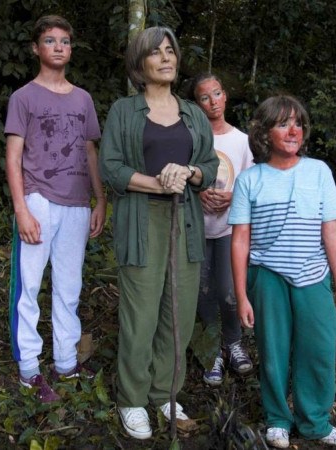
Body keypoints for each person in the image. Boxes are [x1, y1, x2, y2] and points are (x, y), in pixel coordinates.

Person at [99, 27, 219, 440]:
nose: (166, 58)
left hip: (185, 221)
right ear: (140, 64)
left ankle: (165, 392)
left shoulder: (193, 113)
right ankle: (132, 399)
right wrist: (158, 183)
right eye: (156, 53)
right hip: (141, 222)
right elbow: (110, 167)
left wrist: (190, 173)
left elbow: (209, 165)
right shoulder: (123, 111)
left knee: (179, 314)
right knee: (141, 315)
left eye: (171, 51)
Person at [229, 95, 336, 448]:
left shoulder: (318, 171)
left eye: (298, 123)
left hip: (313, 275)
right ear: (264, 132)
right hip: (267, 276)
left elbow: (331, 229)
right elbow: (239, 240)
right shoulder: (250, 180)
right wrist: (241, 295)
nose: (293, 130)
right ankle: (277, 420)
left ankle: (315, 422)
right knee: (272, 350)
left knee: (318, 349)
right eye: (283, 123)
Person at [5, 15, 106, 403]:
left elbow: (89, 149)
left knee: (69, 287)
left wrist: (100, 198)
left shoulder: (83, 99)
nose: (59, 46)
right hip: (39, 201)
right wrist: (21, 209)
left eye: (65, 40)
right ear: (36, 48)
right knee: (29, 286)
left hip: (77, 204)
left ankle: (65, 362)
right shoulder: (24, 97)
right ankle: (29, 369)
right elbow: (13, 157)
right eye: (50, 40)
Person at [187, 73, 255, 385]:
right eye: (205, 97)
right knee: (202, 292)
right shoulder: (191, 138)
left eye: (217, 94)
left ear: (225, 96)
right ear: (197, 104)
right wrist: (198, 194)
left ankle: (233, 343)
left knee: (229, 292)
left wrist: (234, 198)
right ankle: (210, 351)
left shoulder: (241, 141)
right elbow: (181, 179)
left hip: (230, 230)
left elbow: (251, 184)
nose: (213, 102)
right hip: (196, 228)